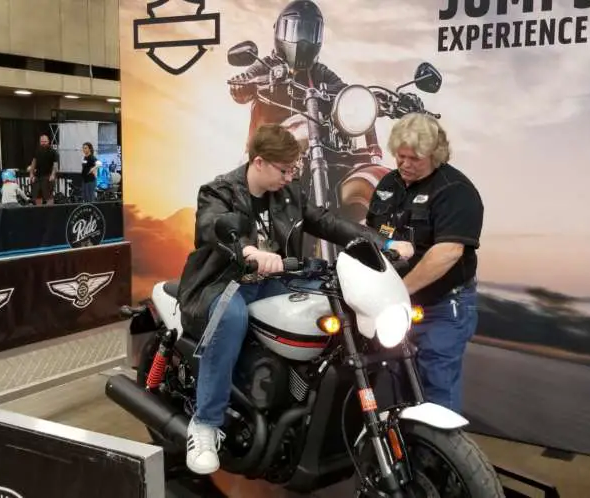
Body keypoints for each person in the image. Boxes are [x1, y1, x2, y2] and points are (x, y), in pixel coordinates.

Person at [176, 123, 413, 475]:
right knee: (231, 318)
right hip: (223, 283)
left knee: (332, 304)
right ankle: (206, 424)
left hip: (274, 280)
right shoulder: (219, 191)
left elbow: (328, 222)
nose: (290, 177)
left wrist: (382, 244)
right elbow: (215, 225)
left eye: (294, 170)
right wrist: (247, 249)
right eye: (284, 170)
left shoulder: (289, 194)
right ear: (259, 162)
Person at [365, 113, 484, 415]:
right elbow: (373, 236)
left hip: (441, 307)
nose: (404, 164)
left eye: (413, 158)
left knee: (435, 389)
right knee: (396, 387)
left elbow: (448, 252)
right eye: (399, 156)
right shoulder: (388, 185)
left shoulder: (456, 191)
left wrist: (400, 291)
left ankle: (439, 459)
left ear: (435, 155)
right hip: (394, 307)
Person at [228, 0, 346, 145]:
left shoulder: (319, 72)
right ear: (279, 31)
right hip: (266, 148)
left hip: (313, 146)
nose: (303, 40)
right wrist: (242, 84)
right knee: (245, 164)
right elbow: (242, 91)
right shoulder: (265, 66)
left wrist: (366, 99)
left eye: (309, 32)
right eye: (295, 30)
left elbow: (344, 91)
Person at [27, 133, 58, 205]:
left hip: (48, 176)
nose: (43, 143)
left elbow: (55, 165)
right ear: (40, 142)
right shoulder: (37, 151)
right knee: (37, 196)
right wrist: (31, 173)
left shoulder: (53, 152)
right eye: (42, 141)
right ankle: (39, 211)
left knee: (48, 196)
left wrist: (53, 175)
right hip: (38, 176)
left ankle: (50, 213)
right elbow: (34, 162)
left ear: (48, 141)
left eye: (45, 141)